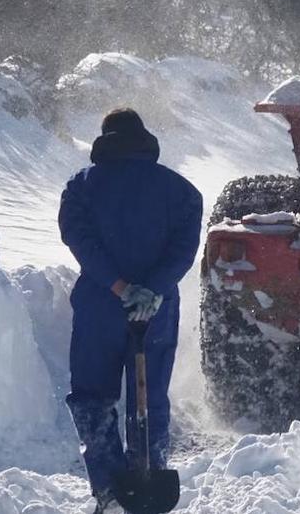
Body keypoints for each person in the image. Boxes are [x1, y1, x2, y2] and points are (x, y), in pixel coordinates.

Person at [58, 108, 203, 513]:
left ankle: (109, 490)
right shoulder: (182, 191)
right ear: (144, 139)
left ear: (105, 139)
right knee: (150, 397)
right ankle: (148, 477)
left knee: (93, 398)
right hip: (155, 312)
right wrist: (152, 290)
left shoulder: (81, 187)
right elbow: (184, 249)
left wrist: (119, 285)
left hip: (99, 308)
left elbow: (79, 239)